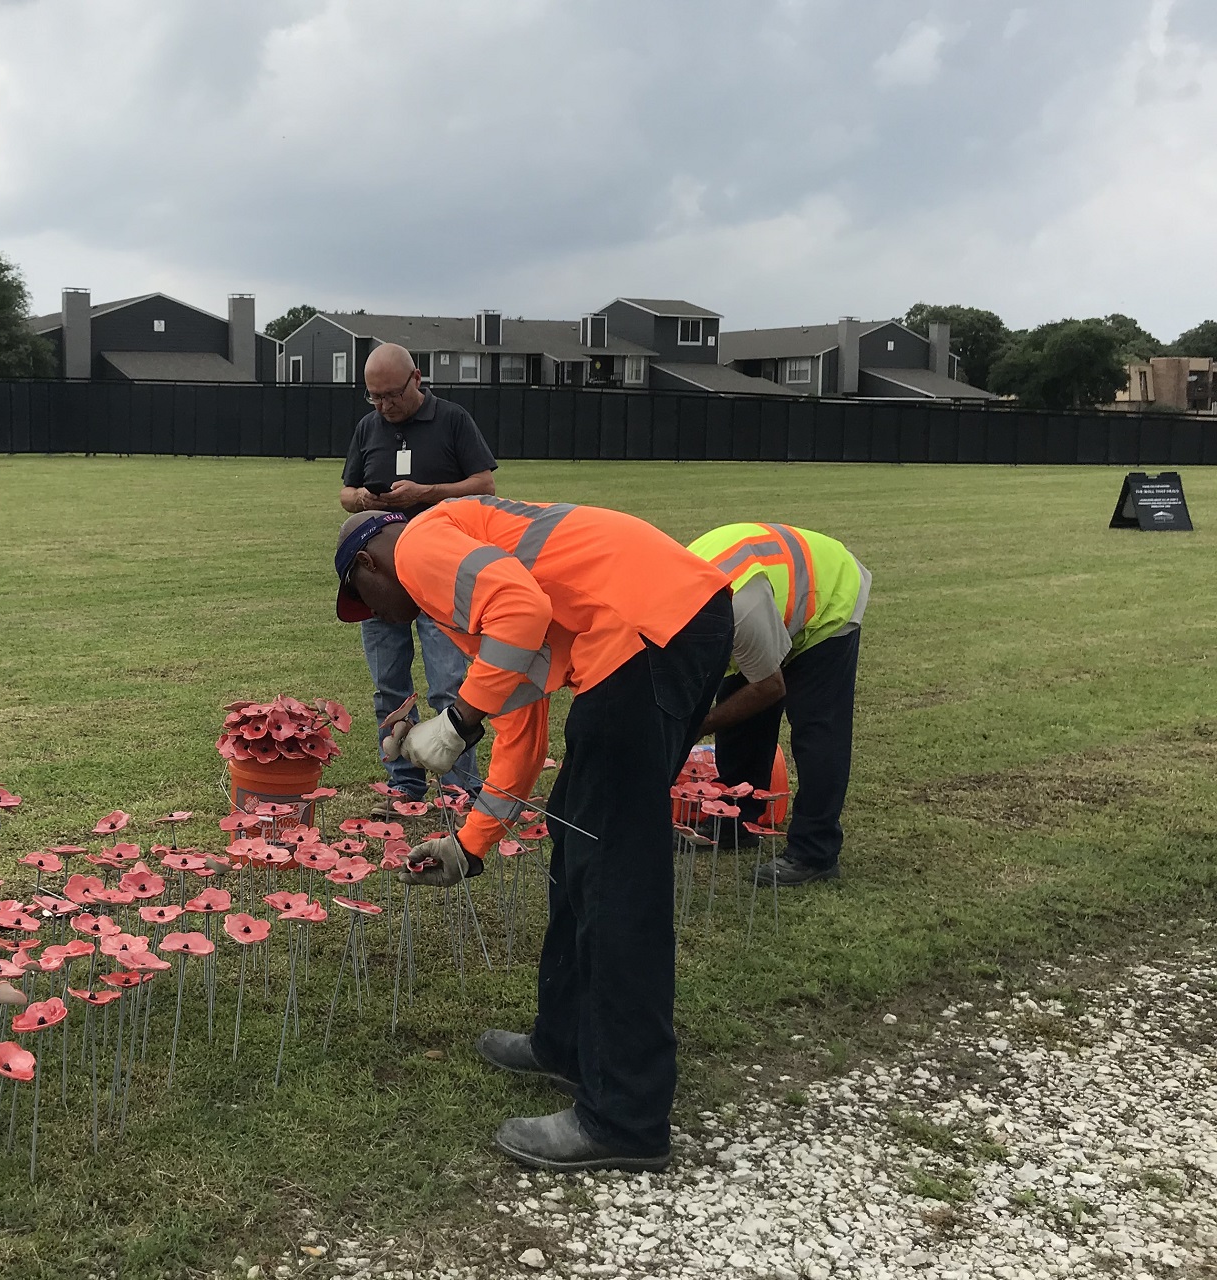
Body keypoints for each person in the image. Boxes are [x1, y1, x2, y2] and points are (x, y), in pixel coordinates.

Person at [335, 498, 732, 1173]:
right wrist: (471, 843)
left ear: (371, 562)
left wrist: (457, 721)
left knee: (617, 882)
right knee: (577, 841)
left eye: (363, 599)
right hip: (660, 629)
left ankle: (625, 1116)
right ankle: (567, 1043)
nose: (375, 615)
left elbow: (520, 611)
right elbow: (521, 721)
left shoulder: (421, 545)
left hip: (646, 636)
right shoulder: (463, 590)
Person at [339, 343, 497, 812]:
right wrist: (364, 499)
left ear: (417, 379)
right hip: (380, 577)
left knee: (449, 683)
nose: (384, 406)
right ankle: (404, 786)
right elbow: (345, 493)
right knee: (389, 683)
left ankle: (459, 788)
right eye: (374, 397)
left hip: (442, 573)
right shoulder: (368, 427)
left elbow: (485, 485)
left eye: (391, 395)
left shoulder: (452, 420)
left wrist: (427, 492)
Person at [686, 522, 870, 887]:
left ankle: (815, 851)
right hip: (767, 596)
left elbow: (770, 687)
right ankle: (734, 822)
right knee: (737, 711)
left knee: (817, 728)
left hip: (826, 597)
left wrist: (699, 725)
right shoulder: (683, 599)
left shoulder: (740, 607)